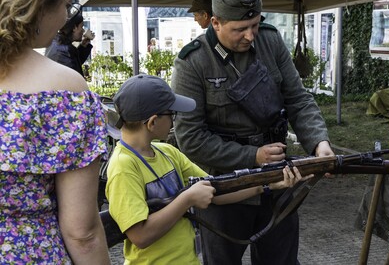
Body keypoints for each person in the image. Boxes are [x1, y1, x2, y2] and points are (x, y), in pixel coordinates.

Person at [171, 0, 334, 265]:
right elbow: (190, 138)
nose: (250, 35)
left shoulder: (270, 40)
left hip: (278, 182)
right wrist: (253, 156)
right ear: (215, 22)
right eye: (240, 28)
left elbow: (297, 98)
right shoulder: (192, 62)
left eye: (255, 24)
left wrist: (318, 143)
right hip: (223, 189)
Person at [105, 74, 307, 264]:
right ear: (152, 122)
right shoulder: (124, 166)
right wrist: (187, 200)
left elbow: (216, 190)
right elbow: (140, 235)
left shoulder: (167, 152)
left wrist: (266, 184)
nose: (174, 120)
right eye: (172, 114)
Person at [0, 0, 110, 264]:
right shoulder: (65, 91)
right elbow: (82, 232)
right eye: (65, 4)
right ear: (38, 4)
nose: (66, 17)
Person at [45, 8, 94, 78]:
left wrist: (83, 46)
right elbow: (73, 73)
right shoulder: (62, 51)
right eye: (81, 27)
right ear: (74, 28)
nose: (83, 30)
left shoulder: (59, 44)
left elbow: (74, 63)